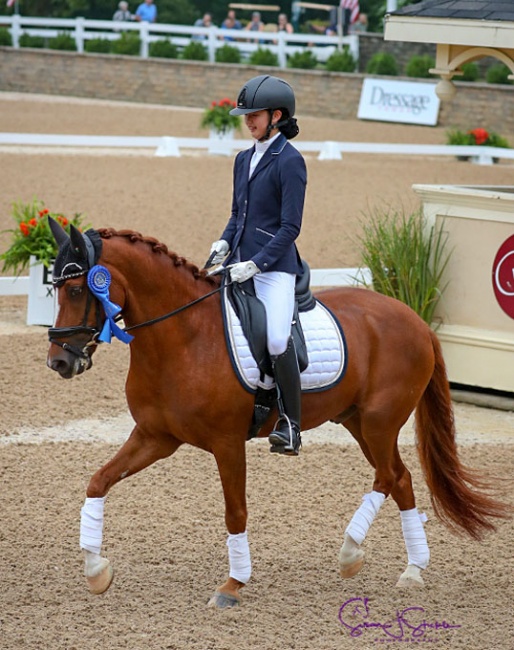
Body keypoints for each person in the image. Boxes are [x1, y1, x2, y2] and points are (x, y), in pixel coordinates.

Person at [209, 75, 306, 457]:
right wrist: (223, 243)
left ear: (276, 116)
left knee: (278, 338)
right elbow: (238, 214)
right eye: (245, 115)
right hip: (237, 262)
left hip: (275, 269)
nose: (247, 121)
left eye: (254, 115)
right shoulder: (243, 159)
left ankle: (291, 425)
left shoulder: (291, 162)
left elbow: (290, 227)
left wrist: (257, 263)